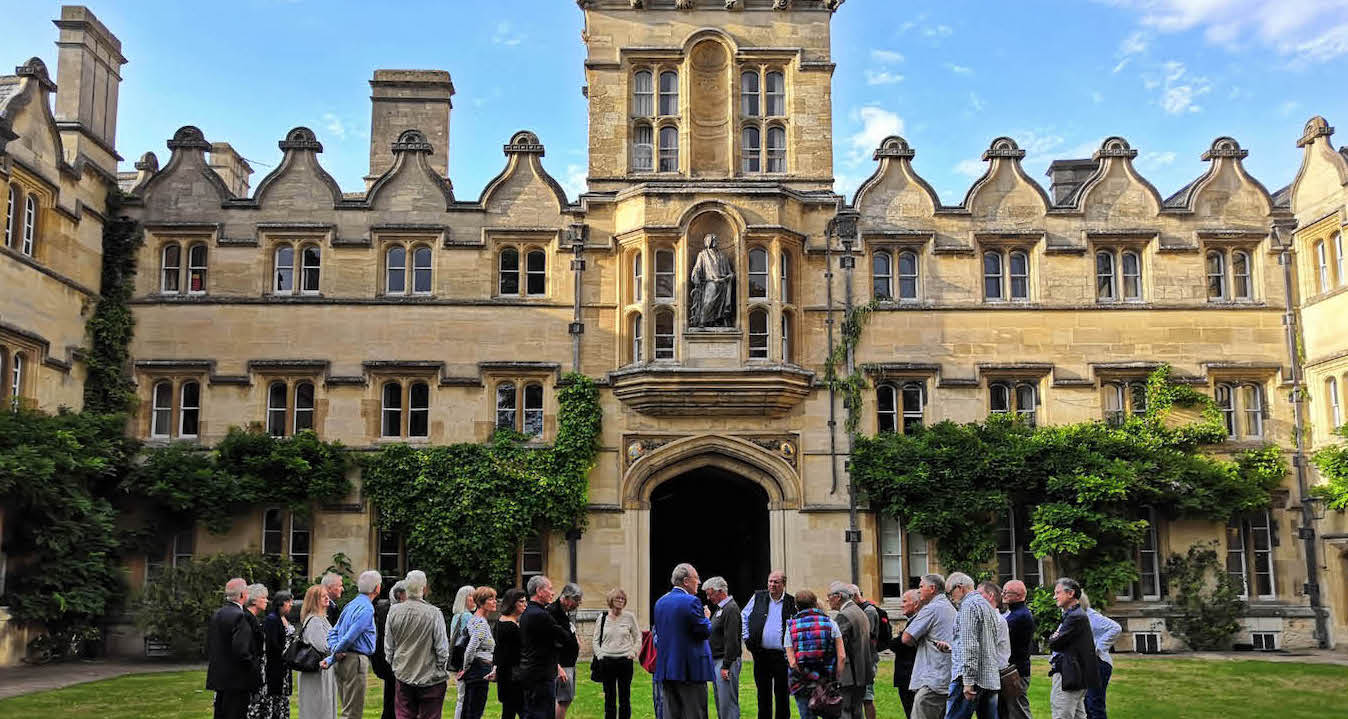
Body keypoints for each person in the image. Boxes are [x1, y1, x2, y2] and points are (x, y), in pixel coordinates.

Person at [385, 570, 450, 719]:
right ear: (424, 588)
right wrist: (439, 667)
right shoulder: (434, 613)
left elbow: (389, 646)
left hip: (404, 674)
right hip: (430, 677)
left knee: (404, 715)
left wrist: (395, 665)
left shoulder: (393, 612)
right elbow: (442, 649)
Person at [653, 563, 713, 719]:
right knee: (695, 714)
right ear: (686, 581)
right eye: (696, 578)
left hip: (667, 669)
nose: (699, 582)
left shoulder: (660, 602)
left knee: (671, 714)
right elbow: (704, 631)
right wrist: (707, 618)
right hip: (690, 670)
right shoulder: (691, 602)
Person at [938, 573, 999, 719]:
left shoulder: (968, 606)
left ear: (960, 588)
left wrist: (968, 682)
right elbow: (986, 643)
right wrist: (953, 648)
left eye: (950, 593)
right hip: (989, 678)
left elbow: (970, 646)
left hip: (968, 678)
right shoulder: (986, 606)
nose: (950, 598)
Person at [324, 569, 382, 719]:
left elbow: (333, 632)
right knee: (352, 713)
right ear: (377, 588)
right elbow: (350, 636)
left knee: (347, 709)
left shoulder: (350, 605)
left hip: (342, 659)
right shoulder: (367, 608)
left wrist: (334, 652)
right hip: (354, 660)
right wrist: (333, 656)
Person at [740, 570, 795, 719]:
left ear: (783, 584)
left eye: (776, 582)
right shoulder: (758, 597)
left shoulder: (791, 602)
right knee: (763, 693)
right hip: (761, 654)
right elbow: (744, 615)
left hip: (781, 656)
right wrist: (746, 637)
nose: (772, 585)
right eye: (770, 581)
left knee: (782, 694)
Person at [899, 574, 955, 719]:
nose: (919, 590)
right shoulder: (950, 607)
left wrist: (917, 640)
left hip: (932, 679)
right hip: (947, 676)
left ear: (932, 589)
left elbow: (906, 638)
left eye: (921, 586)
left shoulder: (931, 609)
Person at [784, 588, 844, 719]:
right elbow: (841, 656)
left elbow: (793, 662)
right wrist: (837, 678)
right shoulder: (831, 624)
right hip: (827, 680)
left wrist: (808, 675)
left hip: (801, 682)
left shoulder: (790, 627)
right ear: (815, 603)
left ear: (796, 606)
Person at [207, 578, 261, 719]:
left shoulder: (217, 614)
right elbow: (242, 651)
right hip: (237, 680)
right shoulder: (240, 616)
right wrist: (253, 667)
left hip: (220, 677)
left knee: (220, 714)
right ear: (243, 595)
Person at [519, 576, 571, 719]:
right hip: (540, 676)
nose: (553, 593)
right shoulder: (540, 615)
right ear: (539, 591)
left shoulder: (527, 612)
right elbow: (564, 636)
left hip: (532, 673)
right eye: (550, 588)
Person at [1047, 578, 1099, 719]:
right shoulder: (1074, 615)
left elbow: (1054, 643)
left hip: (1070, 675)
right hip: (1076, 675)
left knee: (1062, 713)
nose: (1054, 596)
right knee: (1078, 714)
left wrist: (1054, 637)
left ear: (1070, 594)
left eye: (1058, 593)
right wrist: (1055, 637)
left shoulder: (1075, 617)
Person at [593, 587, 642, 719]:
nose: (620, 601)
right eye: (617, 598)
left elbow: (638, 637)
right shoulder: (602, 618)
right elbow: (595, 640)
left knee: (624, 697)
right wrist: (600, 655)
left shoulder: (629, 617)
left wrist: (633, 652)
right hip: (607, 662)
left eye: (623, 599)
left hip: (625, 661)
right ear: (611, 600)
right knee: (609, 697)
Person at [828, 582, 874, 719]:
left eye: (829, 596)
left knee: (845, 711)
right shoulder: (859, 611)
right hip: (862, 671)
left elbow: (837, 645)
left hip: (849, 673)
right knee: (857, 711)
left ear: (838, 596)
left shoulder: (844, 615)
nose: (828, 600)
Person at [702, 577, 742, 719]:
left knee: (728, 704)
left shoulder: (730, 609)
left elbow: (732, 640)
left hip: (725, 662)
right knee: (721, 703)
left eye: (710, 593)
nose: (708, 598)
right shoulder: (721, 608)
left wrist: (726, 665)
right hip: (718, 661)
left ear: (720, 592)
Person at [298, 584, 337, 719]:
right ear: (314, 600)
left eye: (327, 595)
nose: (327, 598)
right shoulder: (314, 621)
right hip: (316, 673)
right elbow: (323, 646)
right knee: (316, 709)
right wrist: (340, 648)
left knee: (323, 706)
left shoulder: (321, 618)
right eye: (323, 596)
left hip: (323, 671)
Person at [458, 586, 498, 719]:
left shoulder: (478, 620)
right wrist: (466, 668)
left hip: (479, 668)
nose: (494, 602)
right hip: (479, 669)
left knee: (470, 708)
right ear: (481, 602)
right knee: (475, 710)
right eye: (490, 599)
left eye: (495, 599)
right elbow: (471, 647)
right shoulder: (480, 622)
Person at [1078, 593, 1120, 719]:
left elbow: (1115, 628)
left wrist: (1099, 647)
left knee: (1094, 704)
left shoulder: (1091, 616)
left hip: (1099, 663)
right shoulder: (1077, 617)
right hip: (1087, 665)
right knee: (1086, 704)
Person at [255, 589, 295, 719]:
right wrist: (286, 653)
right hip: (274, 667)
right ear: (281, 603)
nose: (291, 605)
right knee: (274, 700)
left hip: (283, 666)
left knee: (281, 699)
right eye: (289, 602)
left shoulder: (282, 619)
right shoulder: (272, 620)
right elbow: (272, 644)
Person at [374, 581, 410, 719]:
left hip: (390, 658)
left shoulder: (386, 609)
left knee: (391, 694)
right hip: (392, 658)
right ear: (400, 595)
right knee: (394, 694)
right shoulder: (391, 611)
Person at [1000, 581, 1035, 719]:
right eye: (1003, 591)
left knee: (1018, 711)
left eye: (1007, 592)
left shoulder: (1018, 616)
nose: (1003, 595)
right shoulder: (1016, 613)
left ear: (1019, 595)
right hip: (1016, 669)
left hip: (1016, 672)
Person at [549, 584, 584, 719]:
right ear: (567, 598)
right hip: (561, 663)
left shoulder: (565, 612)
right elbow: (549, 642)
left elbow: (569, 630)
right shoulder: (553, 612)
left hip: (569, 662)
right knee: (562, 699)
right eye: (577, 600)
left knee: (567, 698)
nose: (578, 604)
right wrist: (558, 667)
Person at [689, 233, 735, 327]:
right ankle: (703, 320)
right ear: (708, 242)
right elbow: (697, 268)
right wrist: (695, 276)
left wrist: (730, 276)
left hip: (723, 283)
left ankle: (716, 320)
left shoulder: (722, 256)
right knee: (708, 301)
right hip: (711, 282)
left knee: (720, 305)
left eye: (716, 240)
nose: (716, 242)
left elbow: (729, 271)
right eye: (714, 240)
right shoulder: (703, 255)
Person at [495, 588, 528, 719]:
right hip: (513, 676)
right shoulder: (510, 626)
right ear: (512, 603)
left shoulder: (503, 622)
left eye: (526, 601)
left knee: (509, 711)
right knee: (521, 710)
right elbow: (517, 652)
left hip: (507, 674)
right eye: (521, 601)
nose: (525, 604)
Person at [849, 584, 881, 719]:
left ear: (855, 596)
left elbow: (865, 636)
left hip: (867, 659)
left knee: (867, 698)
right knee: (858, 698)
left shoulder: (869, 611)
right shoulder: (860, 609)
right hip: (859, 659)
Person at [243, 584, 271, 719]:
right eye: (264, 598)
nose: (267, 600)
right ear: (254, 600)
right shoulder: (247, 620)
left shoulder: (253, 619)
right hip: (250, 675)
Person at [450, 585, 478, 719]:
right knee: (465, 698)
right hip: (465, 663)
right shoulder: (467, 616)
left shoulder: (456, 616)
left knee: (461, 697)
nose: (476, 599)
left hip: (457, 662)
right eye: (472, 596)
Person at [892, 590, 921, 718]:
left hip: (909, 675)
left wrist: (896, 639)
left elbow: (898, 644)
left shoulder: (917, 622)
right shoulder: (912, 621)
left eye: (904, 601)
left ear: (915, 604)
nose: (901, 605)